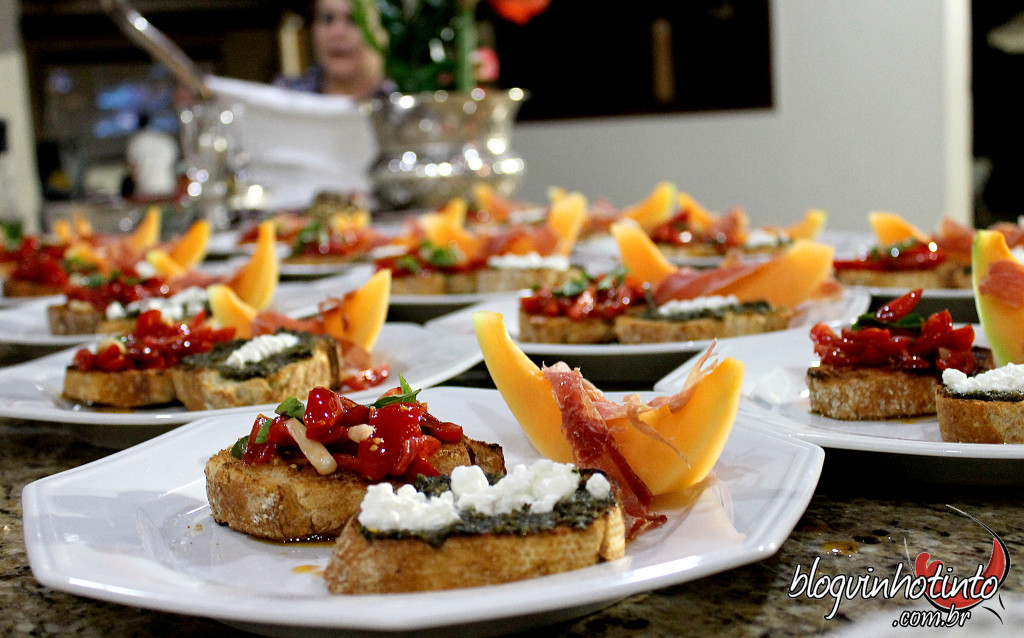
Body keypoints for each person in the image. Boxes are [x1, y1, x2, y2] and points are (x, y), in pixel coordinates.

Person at [275, 0, 388, 98]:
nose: (336, 33)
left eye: (353, 19)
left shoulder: (401, 101)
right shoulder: (282, 98)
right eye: (327, 19)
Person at [124, 113, 179, 200]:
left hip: (145, 190)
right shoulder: (166, 140)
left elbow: (133, 168)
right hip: (168, 188)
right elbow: (174, 165)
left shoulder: (136, 141)